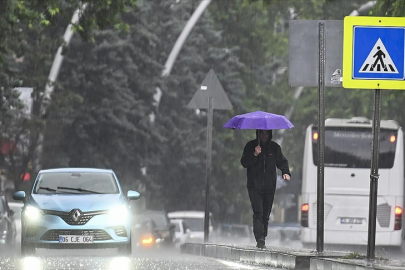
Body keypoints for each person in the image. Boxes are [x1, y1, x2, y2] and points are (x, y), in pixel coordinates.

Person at [240, 129, 291, 249]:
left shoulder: (274, 148)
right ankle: (260, 238)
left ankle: (263, 235)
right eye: (261, 133)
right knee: (258, 212)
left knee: (265, 215)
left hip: (269, 187)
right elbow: (244, 163)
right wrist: (255, 154)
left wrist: (285, 172)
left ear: (269, 134)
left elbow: (282, 162)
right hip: (254, 187)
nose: (263, 135)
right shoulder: (250, 146)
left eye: (266, 133)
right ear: (258, 133)